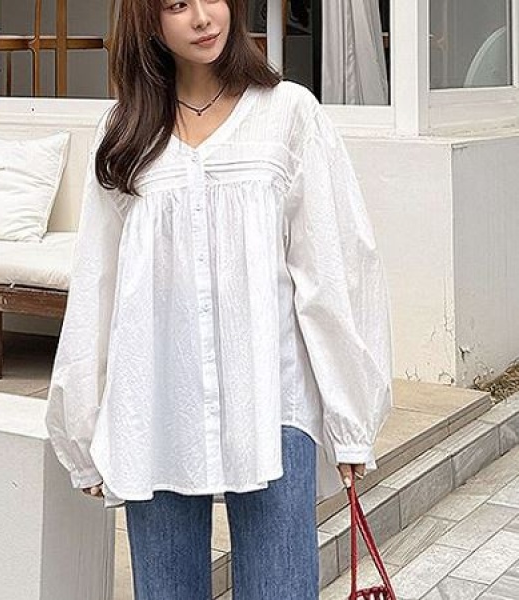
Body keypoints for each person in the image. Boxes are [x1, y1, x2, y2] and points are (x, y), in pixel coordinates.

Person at [45, 0, 393, 598]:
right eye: (178, 5)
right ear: (148, 20)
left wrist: (350, 415)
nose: (203, 18)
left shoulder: (288, 113)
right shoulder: (125, 130)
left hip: (273, 397)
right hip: (156, 402)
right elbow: (99, 282)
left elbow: (334, 270)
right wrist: (82, 424)